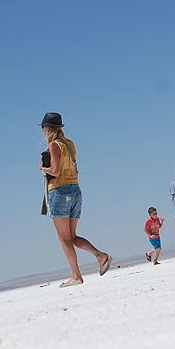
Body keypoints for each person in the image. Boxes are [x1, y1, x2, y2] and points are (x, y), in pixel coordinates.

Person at [39, 112, 111, 287]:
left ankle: (76, 276)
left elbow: (55, 171)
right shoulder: (70, 144)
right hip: (75, 190)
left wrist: (43, 167)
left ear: (47, 128)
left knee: (64, 239)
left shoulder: (54, 145)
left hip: (59, 191)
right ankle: (101, 256)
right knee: (71, 237)